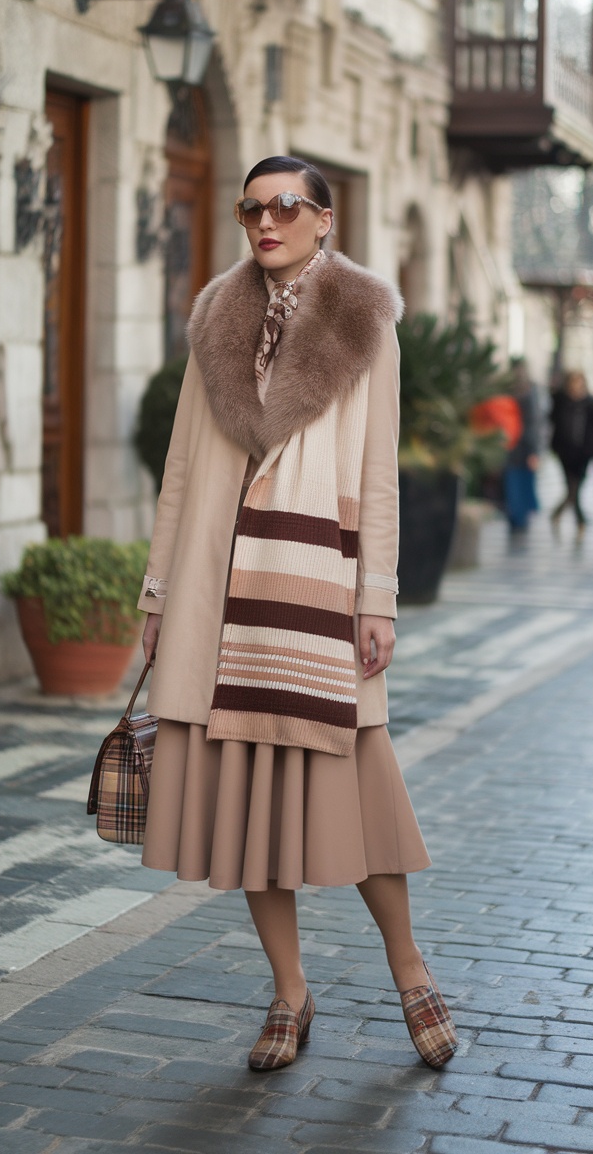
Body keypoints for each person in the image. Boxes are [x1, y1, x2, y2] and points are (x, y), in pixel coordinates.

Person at [137, 155, 457, 1073]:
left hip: (314, 588)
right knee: (247, 812)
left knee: (359, 796)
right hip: (219, 589)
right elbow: (183, 472)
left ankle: (410, 972)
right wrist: (159, 596)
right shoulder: (214, 317)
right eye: (251, 209)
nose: (266, 222)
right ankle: (289, 992)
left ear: (325, 217)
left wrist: (379, 598)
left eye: (285, 206)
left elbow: (380, 475)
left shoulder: (365, 321)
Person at [549, 370, 593, 536]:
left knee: (575, 489)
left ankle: (559, 513)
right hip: (566, 452)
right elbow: (554, 424)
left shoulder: (590, 403)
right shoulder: (561, 401)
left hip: (583, 453)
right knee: (572, 488)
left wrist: (592, 449)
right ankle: (580, 521)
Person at [502, 360, 541, 532]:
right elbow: (534, 424)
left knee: (519, 483)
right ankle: (518, 517)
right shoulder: (526, 393)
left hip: (517, 445)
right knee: (517, 483)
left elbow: (533, 424)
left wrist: (533, 450)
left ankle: (518, 517)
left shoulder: (527, 393)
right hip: (515, 446)